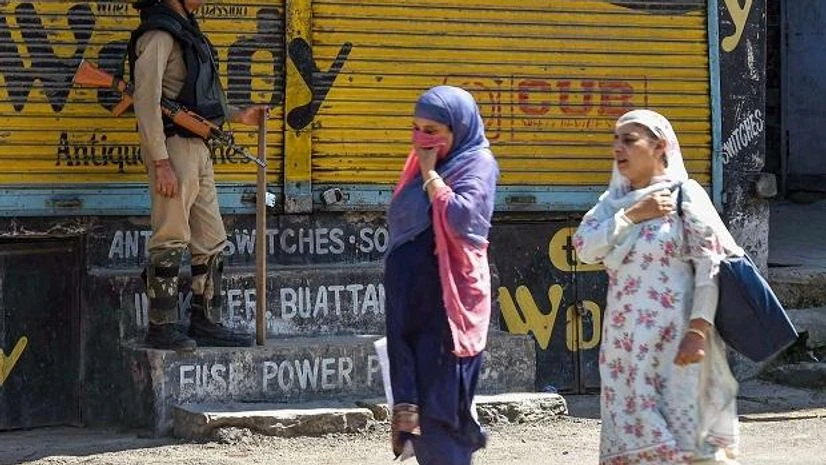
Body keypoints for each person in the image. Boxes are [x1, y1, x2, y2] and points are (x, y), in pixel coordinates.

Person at [573, 109, 742, 465]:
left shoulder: (685, 197)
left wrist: (698, 328)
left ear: (660, 146)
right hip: (625, 348)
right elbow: (584, 247)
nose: (618, 148)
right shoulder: (612, 204)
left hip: (677, 341)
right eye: (615, 140)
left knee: (686, 443)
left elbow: (710, 265)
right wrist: (633, 214)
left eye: (630, 140)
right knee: (634, 439)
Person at [129, 0, 266, 350]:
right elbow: (146, 101)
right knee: (170, 236)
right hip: (173, 149)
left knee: (211, 239)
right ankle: (161, 327)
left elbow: (199, 100)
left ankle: (206, 321)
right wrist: (160, 161)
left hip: (198, 149)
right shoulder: (159, 34)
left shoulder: (187, 32)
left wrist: (239, 116)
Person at [384, 86, 499, 465]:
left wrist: (432, 174)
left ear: (458, 128)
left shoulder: (476, 164)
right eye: (416, 129)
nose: (422, 140)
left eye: (432, 130)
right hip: (411, 303)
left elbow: (463, 219)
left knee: (442, 412)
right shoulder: (415, 164)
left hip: (448, 308)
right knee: (416, 413)